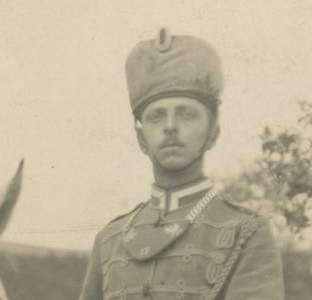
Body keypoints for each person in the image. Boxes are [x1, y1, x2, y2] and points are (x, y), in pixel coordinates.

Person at [79, 29, 284, 300]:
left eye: (187, 114)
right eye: (156, 116)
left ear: (213, 133)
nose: (171, 127)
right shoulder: (109, 240)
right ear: (141, 137)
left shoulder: (247, 232)